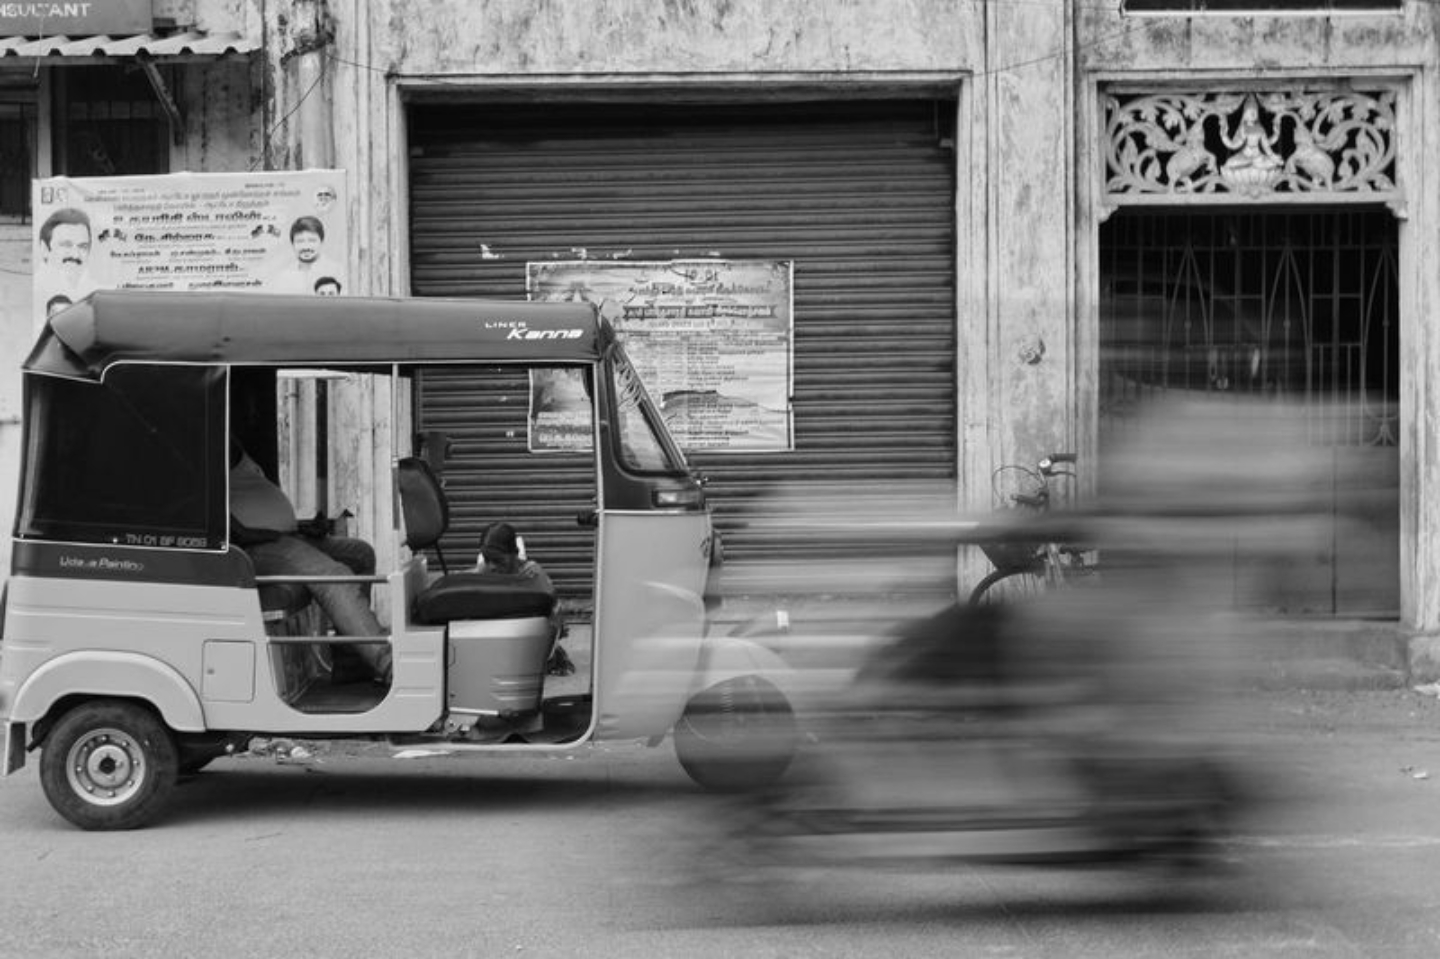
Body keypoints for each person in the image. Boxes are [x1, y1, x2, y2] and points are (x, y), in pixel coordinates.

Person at [230, 440, 391, 683]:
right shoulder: (206, 449)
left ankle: (351, 663)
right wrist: (260, 534)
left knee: (360, 554)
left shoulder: (236, 451)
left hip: (281, 537)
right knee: (333, 575)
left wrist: (301, 528)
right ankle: (390, 666)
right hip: (254, 546)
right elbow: (215, 515)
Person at [476, 522, 574, 676]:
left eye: (498, 560)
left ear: (514, 554)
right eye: (487, 559)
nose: (492, 566)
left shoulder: (533, 576)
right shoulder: (483, 571)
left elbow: (555, 616)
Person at [36, 207, 96, 303]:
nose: (75, 255)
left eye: (83, 246)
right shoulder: (38, 290)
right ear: (45, 249)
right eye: (66, 245)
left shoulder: (95, 291)